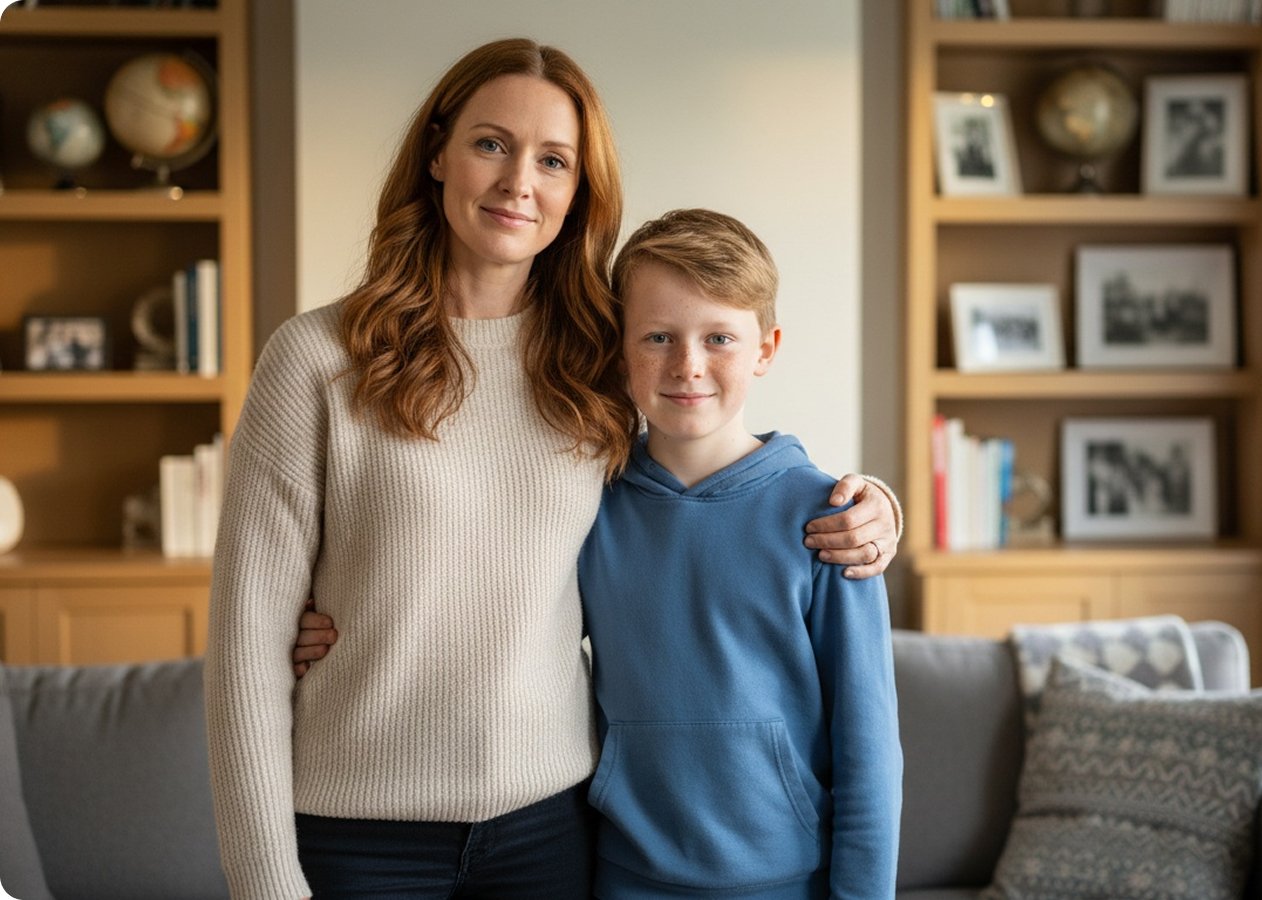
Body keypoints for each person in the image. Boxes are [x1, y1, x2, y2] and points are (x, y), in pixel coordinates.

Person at [204, 38, 899, 900]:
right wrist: (264, 880)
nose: (517, 182)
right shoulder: (314, 360)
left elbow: (707, 464)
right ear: (436, 154)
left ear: (577, 193)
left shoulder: (595, 362)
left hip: (552, 832)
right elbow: (242, 648)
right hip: (357, 836)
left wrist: (873, 505)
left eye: (554, 160)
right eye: (490, 144)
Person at [579, 208, 902, 896]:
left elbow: (868, 745)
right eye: (657, 336)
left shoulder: (831, 519)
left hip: (785, 880)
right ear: (618, 347)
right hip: (623, 876)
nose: (686, 366)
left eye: (718, 338)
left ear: (765, 348)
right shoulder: (587, 506)